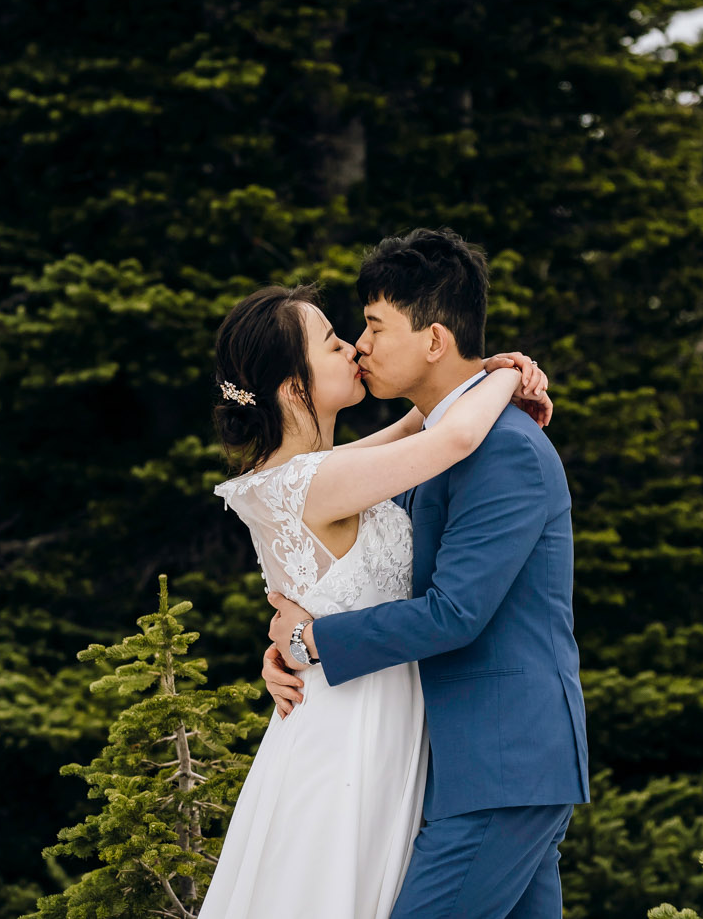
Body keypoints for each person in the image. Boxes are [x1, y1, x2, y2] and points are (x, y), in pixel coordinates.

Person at [196, 268, 552, 919]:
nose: (354, 348)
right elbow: (452, 436)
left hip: (368, 714)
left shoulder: (313, 472)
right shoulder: (312, 482)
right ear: (293, 386)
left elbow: (419, 424)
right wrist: (507, 371)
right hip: (349, 740)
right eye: (332, 341)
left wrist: (295, 643)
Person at [262, 228, 591, 919]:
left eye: (376, 324)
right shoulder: (437, 447)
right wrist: (286, 647)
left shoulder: (505, 447)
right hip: (476, 767)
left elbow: (454, 612)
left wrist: (316, 641)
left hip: (503, 765)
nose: (361, 344)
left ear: (434, 339)